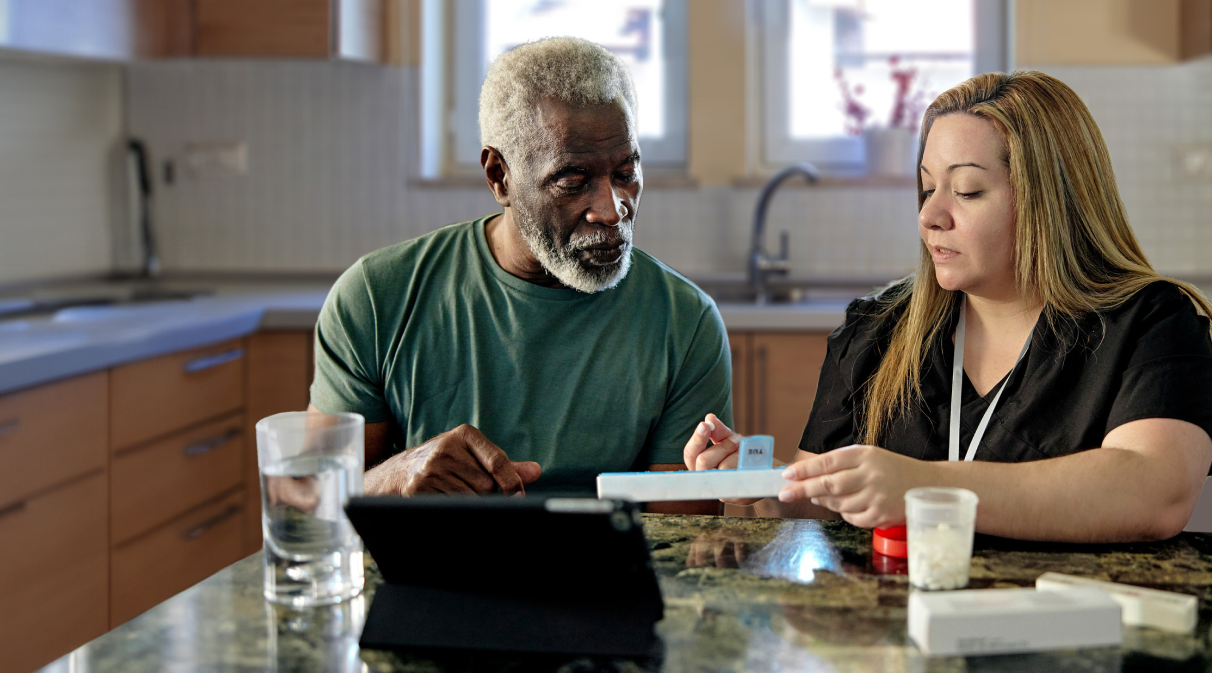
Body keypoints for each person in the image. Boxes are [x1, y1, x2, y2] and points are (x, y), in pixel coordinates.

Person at [685, 71, 1212, 542]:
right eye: (927, 187)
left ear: (1050, 201)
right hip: (895, 636)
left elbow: (1154, 491)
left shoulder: (1152, 322)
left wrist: (918, 486)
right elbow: (821, 506)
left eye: (966, 190)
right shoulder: (875, 327)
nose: (930, 215)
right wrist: (763, 484)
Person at [309, 37, 732, 505]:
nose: (612, 211)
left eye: (626, 172)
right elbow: (308, 496)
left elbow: (681, 538)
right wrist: (398, 476)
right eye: (573, 181)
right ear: (499, 177)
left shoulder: (685, 322)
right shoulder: (376, 298)